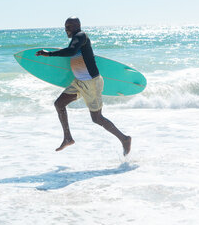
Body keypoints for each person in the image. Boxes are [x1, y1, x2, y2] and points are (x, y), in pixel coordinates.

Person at [36, 17, 132, 155]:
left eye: (69, 26)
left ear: (78, 26)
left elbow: (71, 51)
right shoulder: (76, 39)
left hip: (91, 83)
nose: (66, 29)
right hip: (79, 82)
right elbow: (72, 51)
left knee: (97, 118)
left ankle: (124, 139)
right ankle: (68, 138)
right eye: (65, 26)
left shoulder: (81, 36)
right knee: (59, 104)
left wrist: (49, 54)